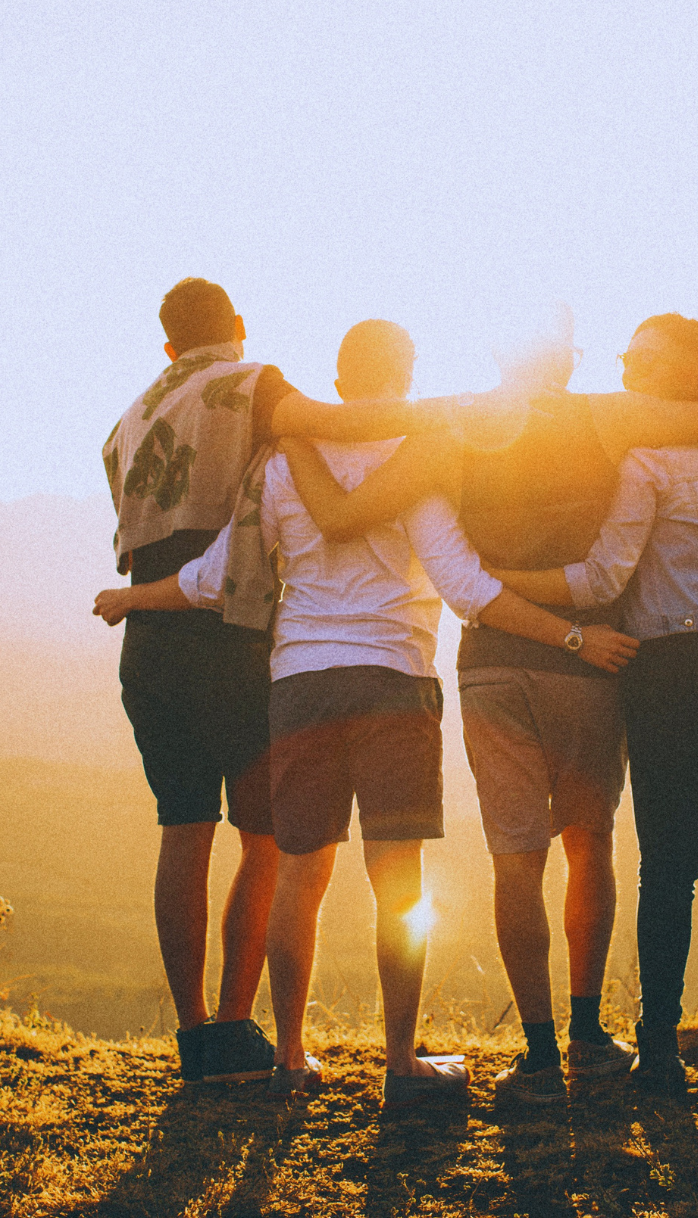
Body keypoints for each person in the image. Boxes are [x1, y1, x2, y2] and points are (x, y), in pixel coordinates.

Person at [110, 320, 639, 1107]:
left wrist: (131, 598)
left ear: (339, 375)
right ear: (408, 372)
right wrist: (568, 633)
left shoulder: (281, 461)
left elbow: (215, 576)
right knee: (398, 881)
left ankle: (291, 1059)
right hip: (395, 678)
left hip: (298, 685)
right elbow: (465, 588)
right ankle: (400, 1066)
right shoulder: (418, 459)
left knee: (300, 873)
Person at [278, 307, 698, 1103]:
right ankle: (587, 1033)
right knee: (589, 842)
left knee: (515, 858)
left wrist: (293, 428)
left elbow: (359, 499)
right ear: (566, 362)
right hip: (590, 661)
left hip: (491, 666)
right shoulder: (608, 415)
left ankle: (537, 1055)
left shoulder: (456, 421)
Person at [95, 280, 458, 1085]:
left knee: (182, 830)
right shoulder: (252, 384)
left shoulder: (128, 419)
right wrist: (451, 415)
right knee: (271, 842)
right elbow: (334, 426)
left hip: (153, 638)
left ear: (166, 345)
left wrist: (128, 599)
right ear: (238, 328)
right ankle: (237, 1028)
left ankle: (198, 1039)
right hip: (232, 635)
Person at [490, 313, 698, 1096]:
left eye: (640, 359)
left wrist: (501, 586)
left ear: (677, 375)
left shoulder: (649, 462)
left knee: (670, 868)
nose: (625, 367)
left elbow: (600, 582)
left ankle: (658, 1049)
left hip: (672, 673)